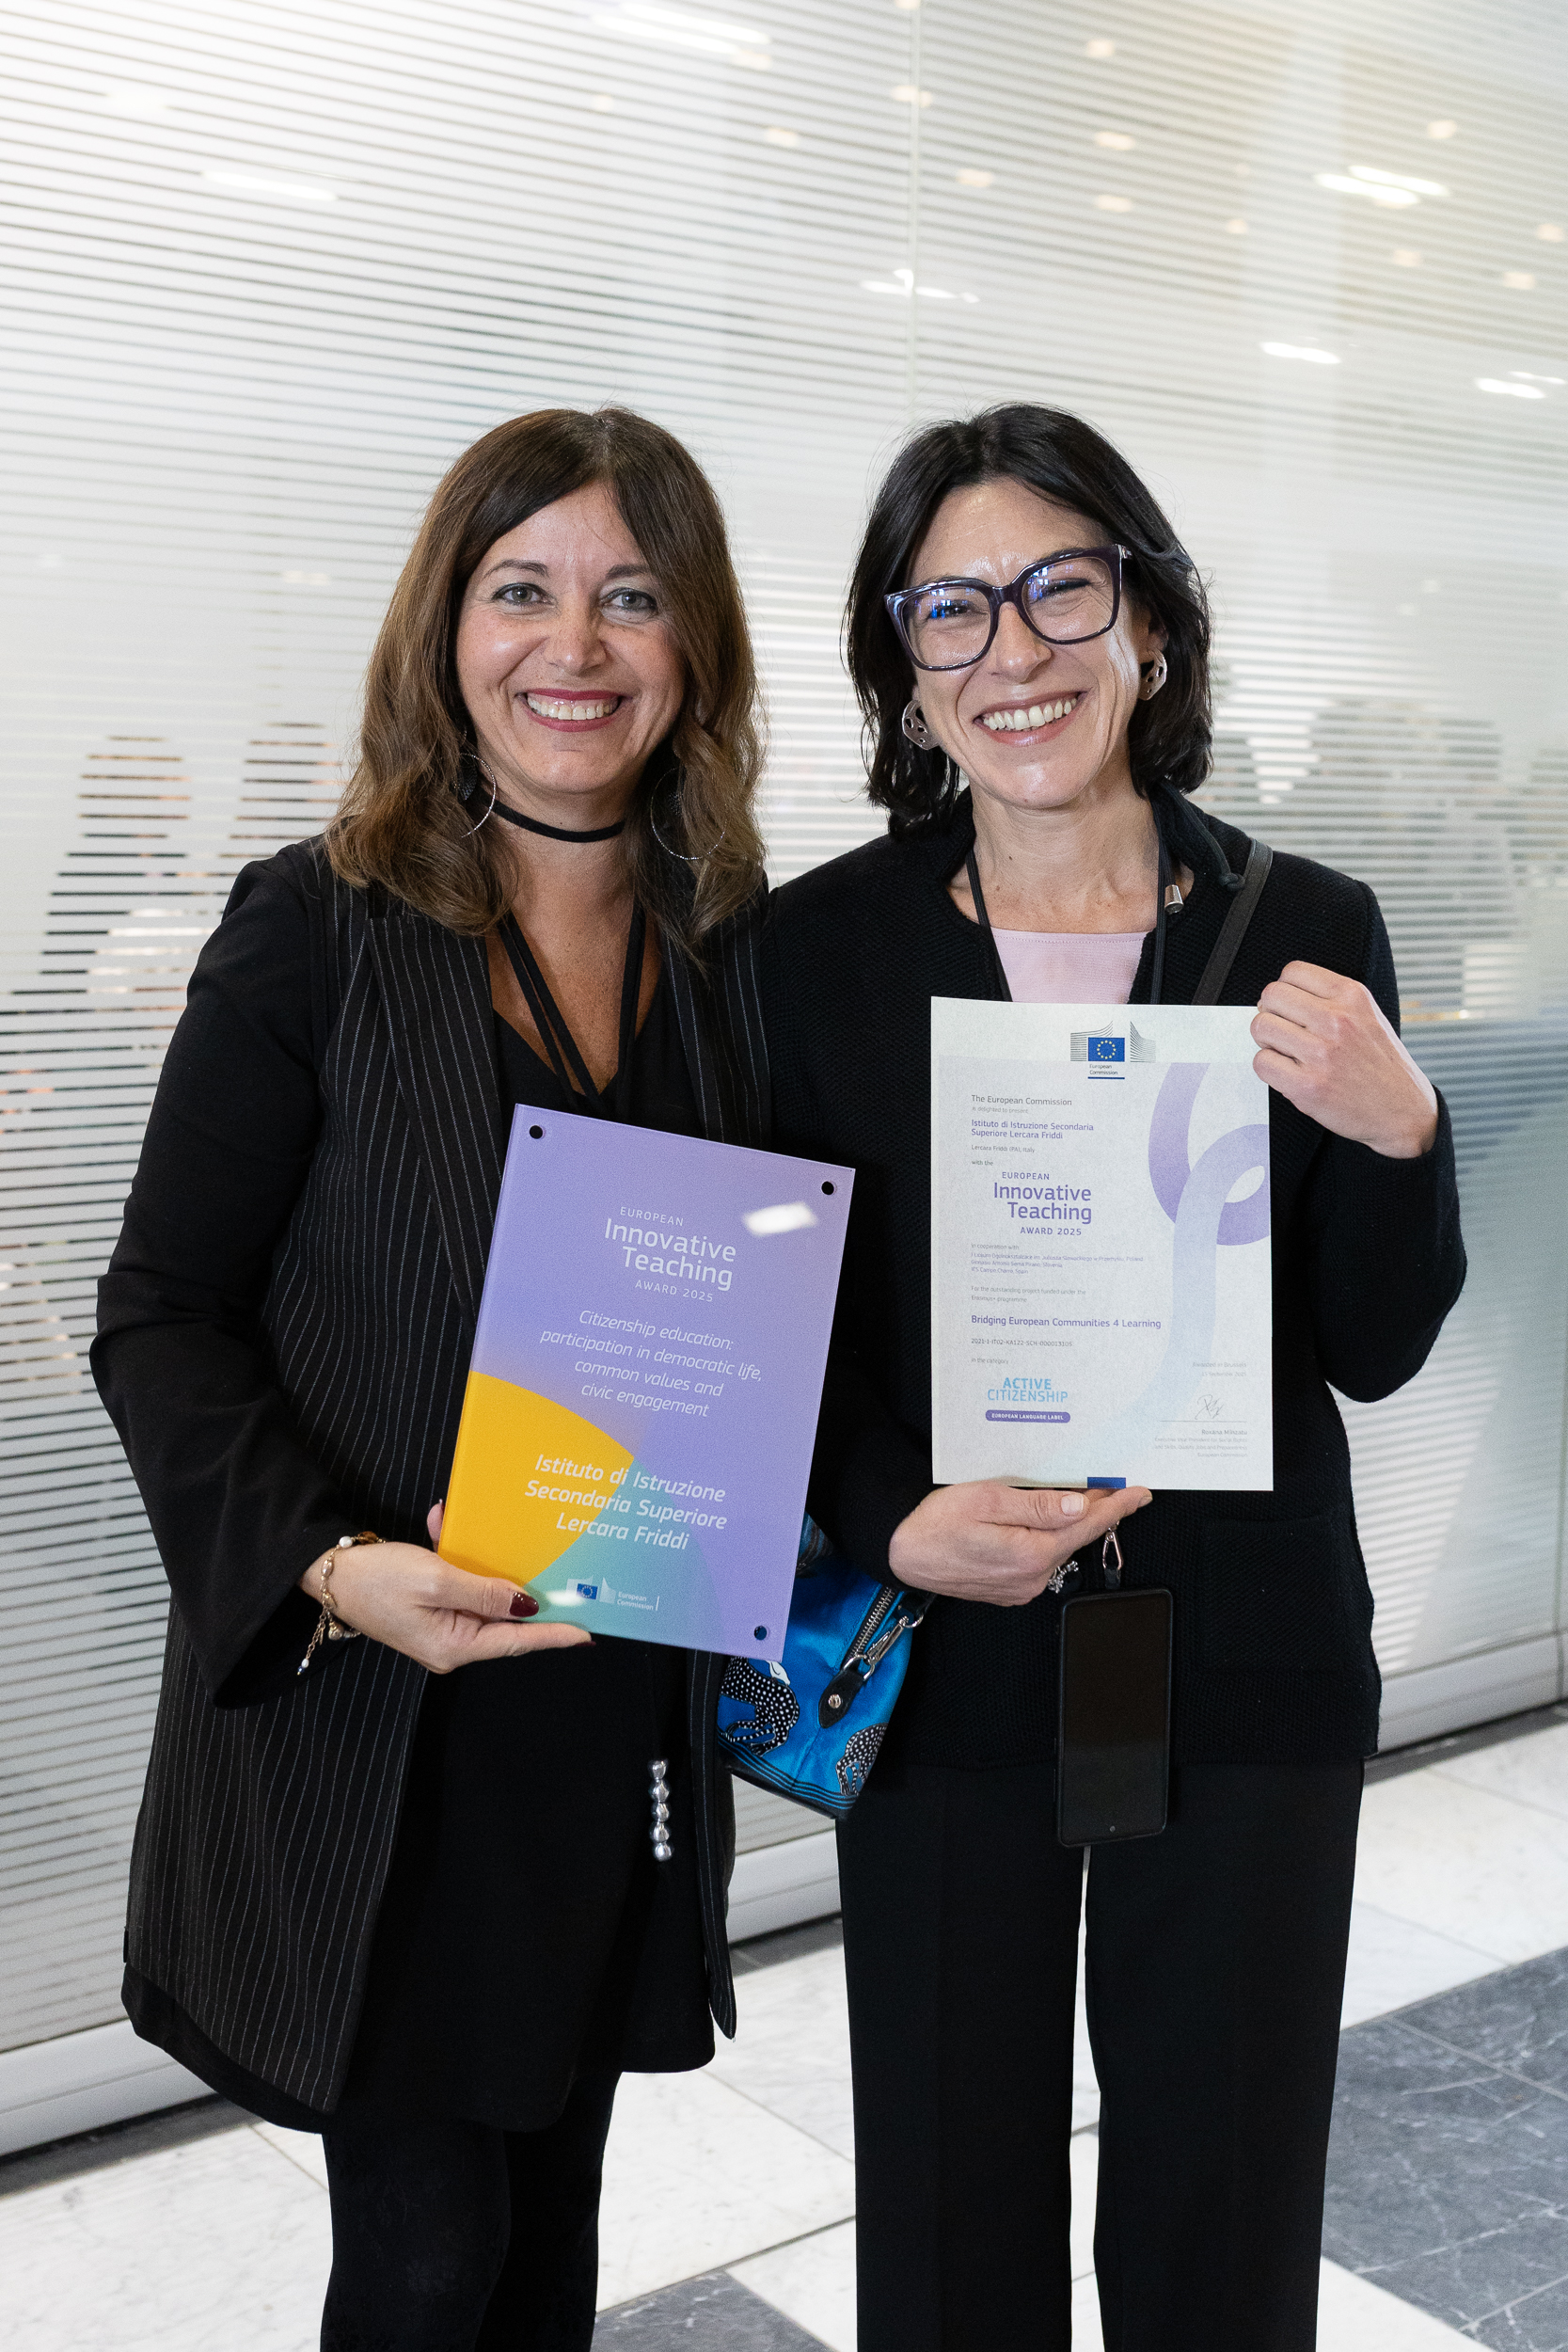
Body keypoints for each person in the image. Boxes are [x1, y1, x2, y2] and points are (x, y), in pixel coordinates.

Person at [762, 405, 1465, 2352]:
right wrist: (888, 1518)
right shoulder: (807, 955)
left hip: (1244, 1656)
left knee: (1221, 2217)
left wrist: (1402, 1130)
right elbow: (770, 1330)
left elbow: (1377, 1344)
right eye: (953, 609)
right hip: (948, 1660)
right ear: (906, 668)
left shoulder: (1302, 927)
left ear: (1149, 619)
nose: (1015, 650)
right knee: (948, 2221)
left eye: (1061, 588)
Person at [94, 405, 769, 2351]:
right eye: (522, 590)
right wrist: (330, 1566)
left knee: (550, 2237)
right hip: (377, 1702)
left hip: (608, 1702)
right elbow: (160, 1312)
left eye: (631, 595)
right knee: (421, 2258)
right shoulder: (313, 929)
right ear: (445, 628)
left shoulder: (733, 960)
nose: (575, 645)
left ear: (693, 641)